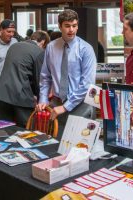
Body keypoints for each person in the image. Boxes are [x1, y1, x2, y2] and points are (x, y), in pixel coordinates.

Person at [37, 9, 96, 138]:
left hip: (80, 105)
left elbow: (87, 84)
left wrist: (66, 107)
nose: (71, 30)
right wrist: (43, 98)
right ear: (59, 26)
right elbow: (45, 77)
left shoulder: (86, 49)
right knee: (56, 145)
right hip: (57, 104)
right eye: (67, 26)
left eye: (74, 26)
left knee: (78, 148)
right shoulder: (51, 47)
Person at [0, 31, 50, 127]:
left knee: (4, 129)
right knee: (25, 130)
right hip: (21, 97)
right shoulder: (39, 51)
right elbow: (39, 79)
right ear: (43, 42)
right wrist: (41, 99)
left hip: (2, 93)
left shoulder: (14, 46)